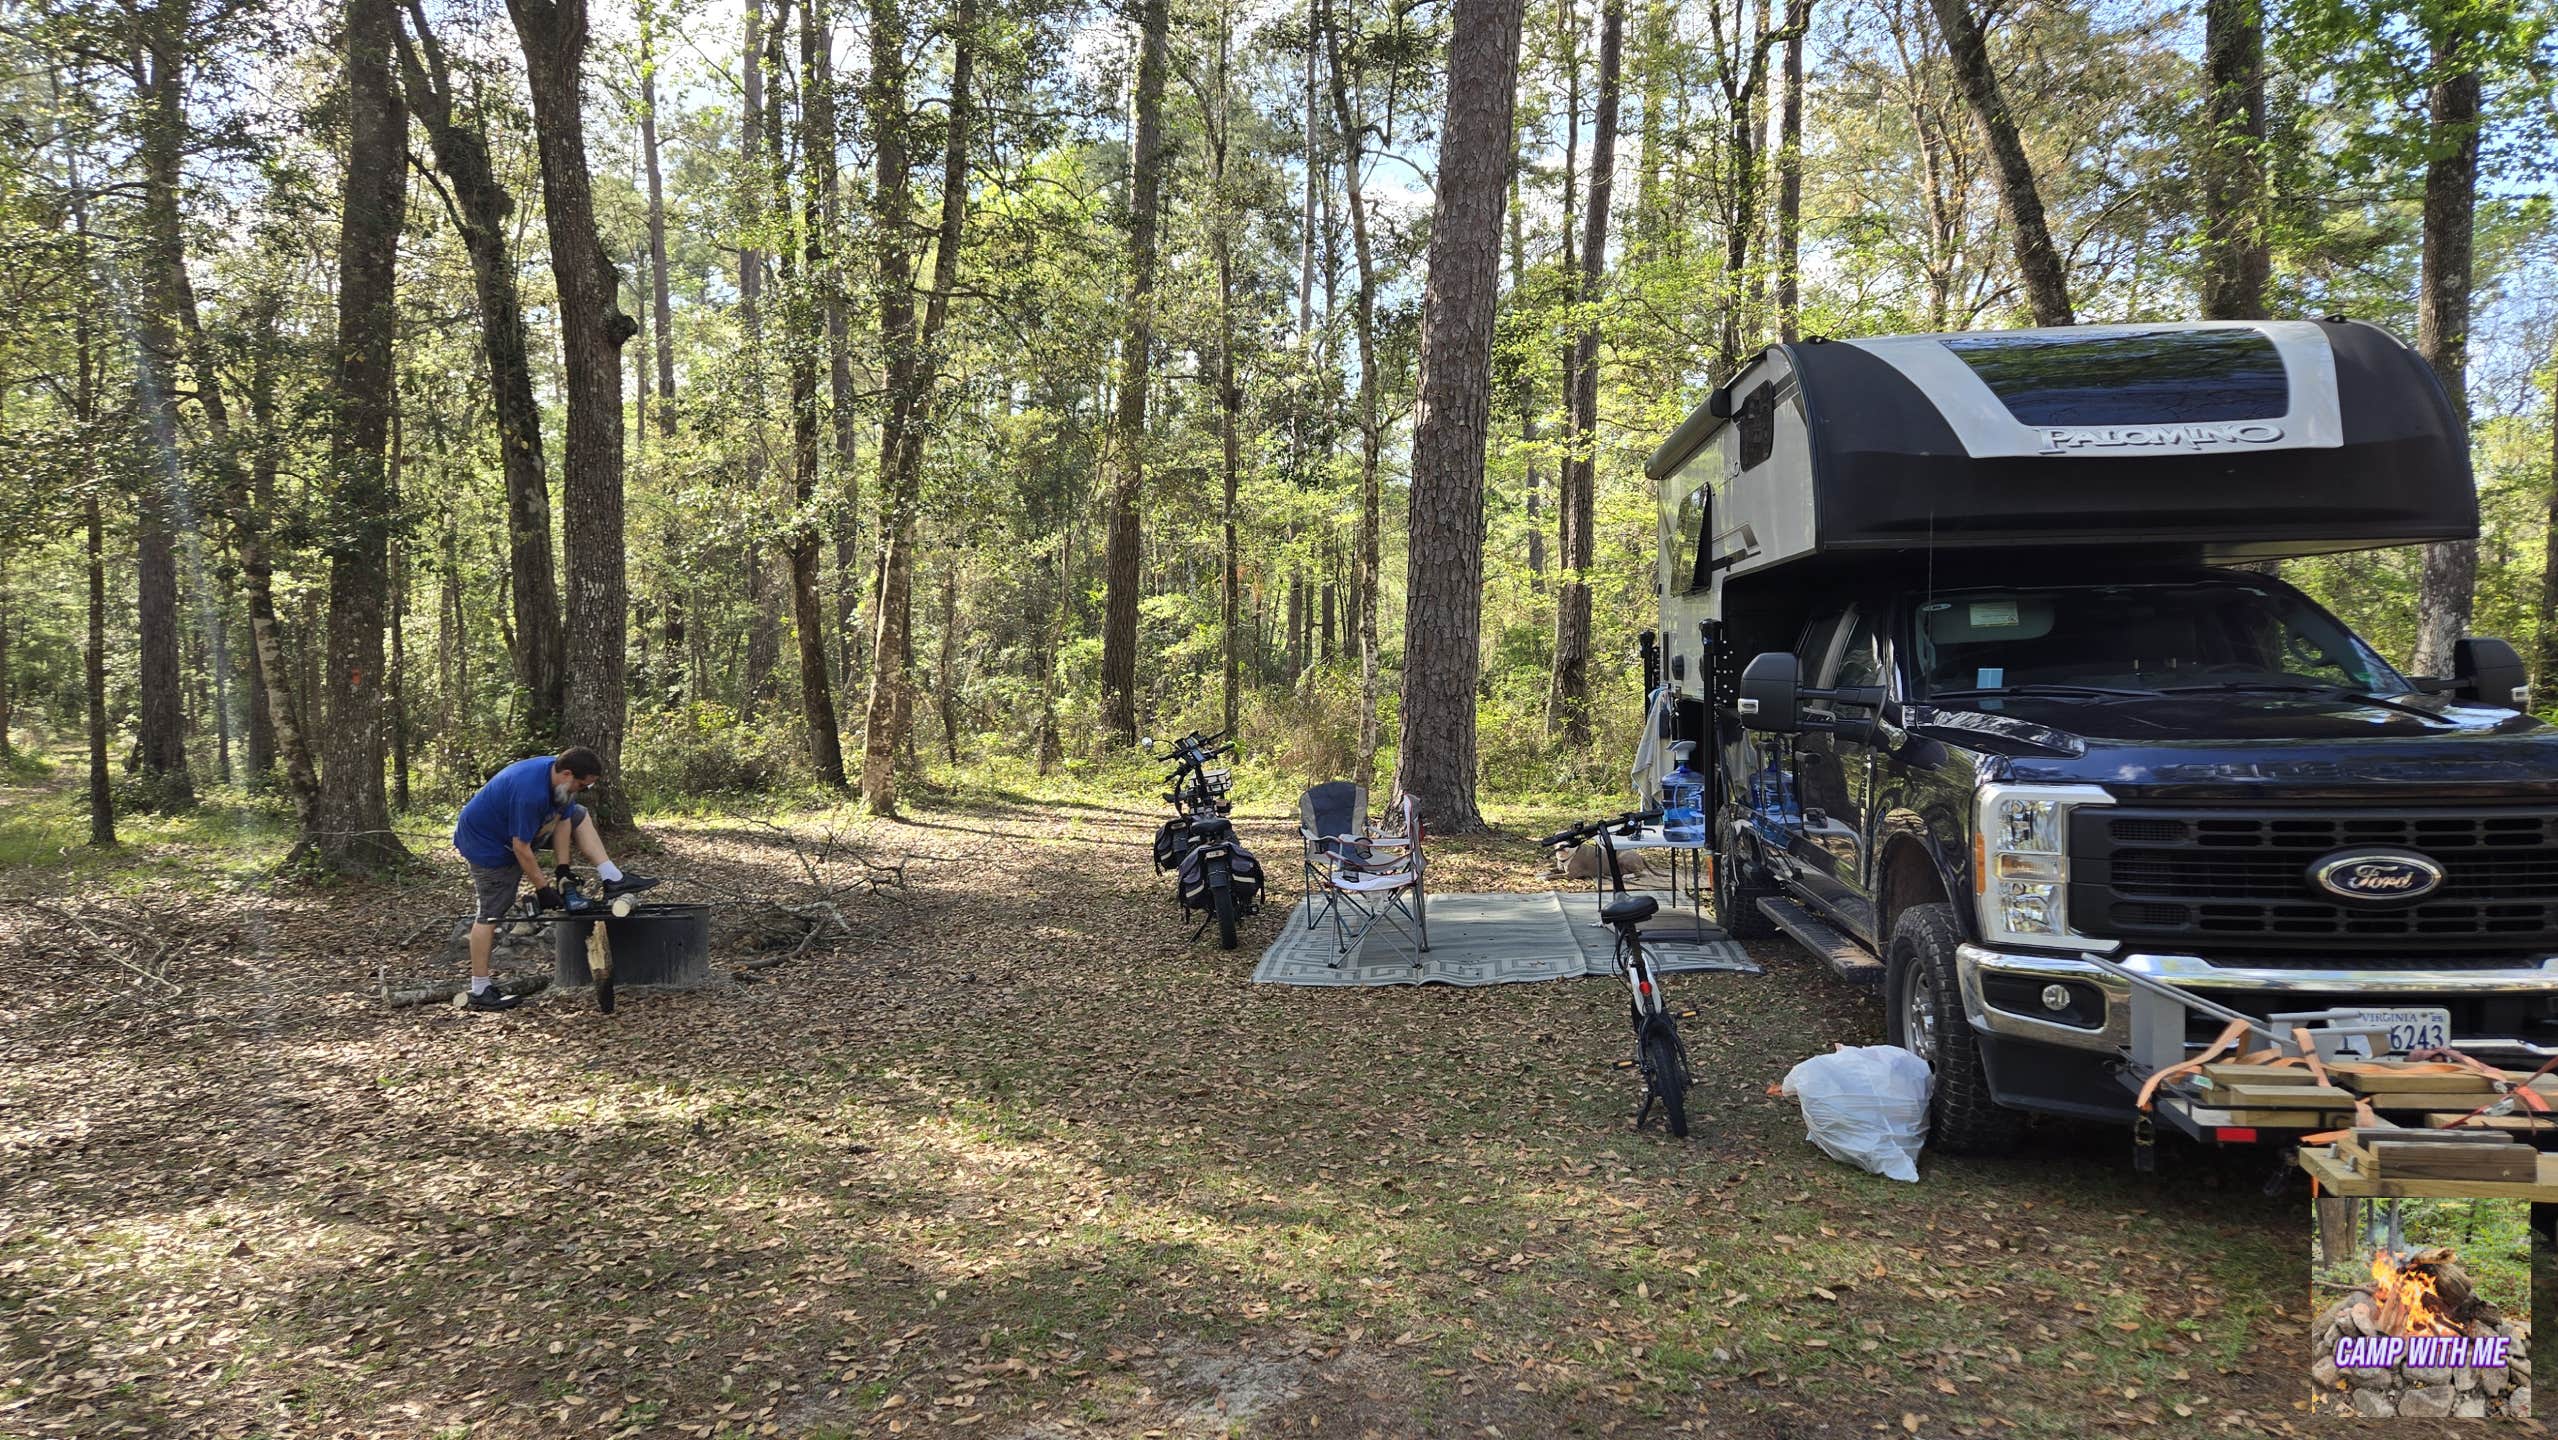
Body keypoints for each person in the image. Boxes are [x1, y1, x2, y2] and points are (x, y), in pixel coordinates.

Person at [451, 747, 657, 1012]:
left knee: (580, 814)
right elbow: (521, 848)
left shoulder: (562, 781)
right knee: (492, 913)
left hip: (519, 831)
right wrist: (543, 889)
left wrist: (562, 869)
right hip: (487, 845)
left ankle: (612, 877)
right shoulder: (530, 793)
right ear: (567, 774)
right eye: (582, 784)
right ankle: (480, 989)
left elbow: (563, 820)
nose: (582, 789)